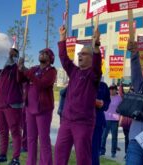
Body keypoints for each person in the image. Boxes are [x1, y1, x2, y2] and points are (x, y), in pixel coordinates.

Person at [54, 25, 102, 165]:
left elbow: (98, 64)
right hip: (66, 121)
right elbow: (63, 58)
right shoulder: (73, 71)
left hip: (83, 123)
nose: (80, 55)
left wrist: (96, 44)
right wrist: (62, 38)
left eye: (84, 53)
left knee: (83, 158)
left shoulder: (93, 75)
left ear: (91, 58)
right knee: (59, 153)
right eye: (79, 53)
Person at [18, 48, 57, 165]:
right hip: (30, 108)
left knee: (44, 139)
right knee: (31, 139)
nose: (41, 54)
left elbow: (41, 84)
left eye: (45, 53)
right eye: (40, 53)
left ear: (50, 58)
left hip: (43, 109)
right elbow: (20, 79)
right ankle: (31, 162)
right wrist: (20, 68)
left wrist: (27, 72)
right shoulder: (34, 69)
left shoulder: (51, 71)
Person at [100, 85, 122, 158]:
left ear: (116, 90)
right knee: (103, 136)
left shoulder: (119, 98)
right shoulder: (106, 97)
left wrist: (120, 120)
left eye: (113, 89)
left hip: (115, 120)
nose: (111, 91)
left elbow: (121, 109)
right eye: (110, 89)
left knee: (114, 137)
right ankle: (102, 151)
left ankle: (113, 152)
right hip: (106, 119)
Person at [92, 81, 111, 165]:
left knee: (95, 150)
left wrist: (103, 104)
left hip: (98, 122)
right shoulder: (82, 81)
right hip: (82, 121)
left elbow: (107, 101)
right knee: (82, 149)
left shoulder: (103, 85)